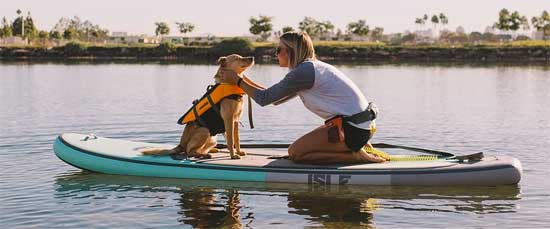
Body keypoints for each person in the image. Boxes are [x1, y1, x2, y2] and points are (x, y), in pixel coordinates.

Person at [221, 32, 386, 165]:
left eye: (279, 50)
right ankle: (355, 147)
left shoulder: (303, 72)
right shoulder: (310, 69)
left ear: (291, 51)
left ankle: (354, 156)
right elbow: (274, 99)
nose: (276, 54)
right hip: (358, 126)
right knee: (299, 150)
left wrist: (237, 80)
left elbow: (264, 99)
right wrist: (242, 80)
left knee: (296, 153)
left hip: (353, 129)